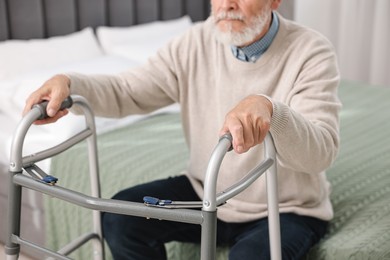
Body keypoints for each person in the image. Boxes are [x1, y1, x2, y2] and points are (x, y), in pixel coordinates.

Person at [23, 0, 341, 259]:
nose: (228, 5)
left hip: (285, 208)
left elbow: (321, 153)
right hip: (206, 193)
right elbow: (126, 89)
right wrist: (70, 83)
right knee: (120, 219)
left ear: (274, 0)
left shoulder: (311, 51)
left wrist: (271, 110)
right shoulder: (195, 42)